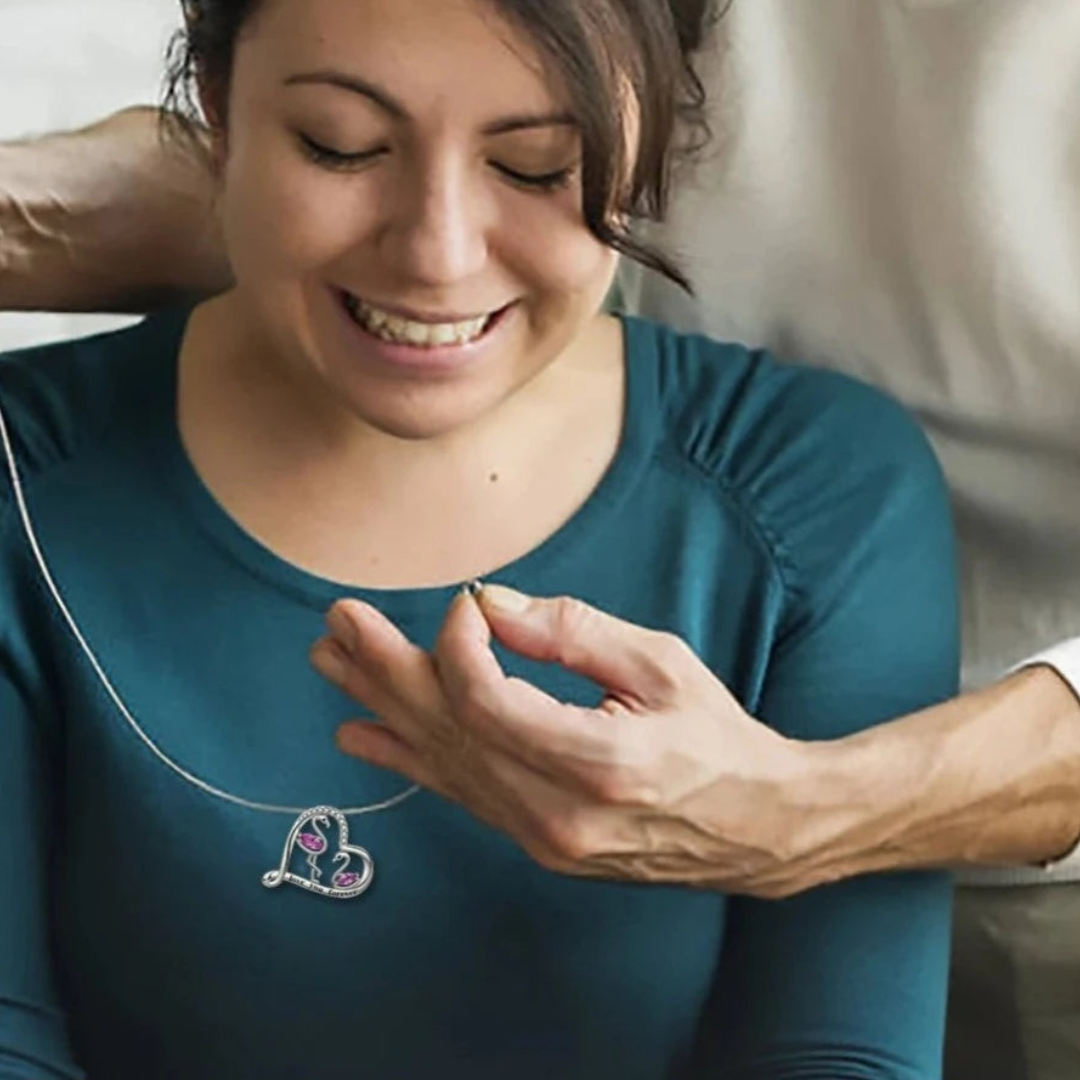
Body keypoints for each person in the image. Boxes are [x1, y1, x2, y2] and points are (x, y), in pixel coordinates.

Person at [0, 1, 958, 1078]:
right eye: (340, 145)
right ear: (218, 111)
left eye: (538, 165)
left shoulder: (815, 494)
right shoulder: (25, 481)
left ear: (642, 150)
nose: (437, 256)